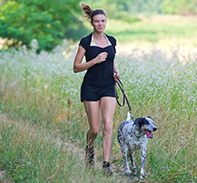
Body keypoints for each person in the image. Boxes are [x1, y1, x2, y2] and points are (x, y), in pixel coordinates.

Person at [73, 3, 119, 176]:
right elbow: (76, 67)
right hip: (91, 87)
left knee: (108, 125)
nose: (100, 24)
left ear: (106, 22)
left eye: (103, 21)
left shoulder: (111, 40)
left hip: (108, 86)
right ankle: (89, 149)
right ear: (92, 23)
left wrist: (115, 71)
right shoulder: (86, 42)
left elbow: (111, 60)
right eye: (97, 21)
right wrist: (95, 61)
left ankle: (106, 165)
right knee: (95, 129)